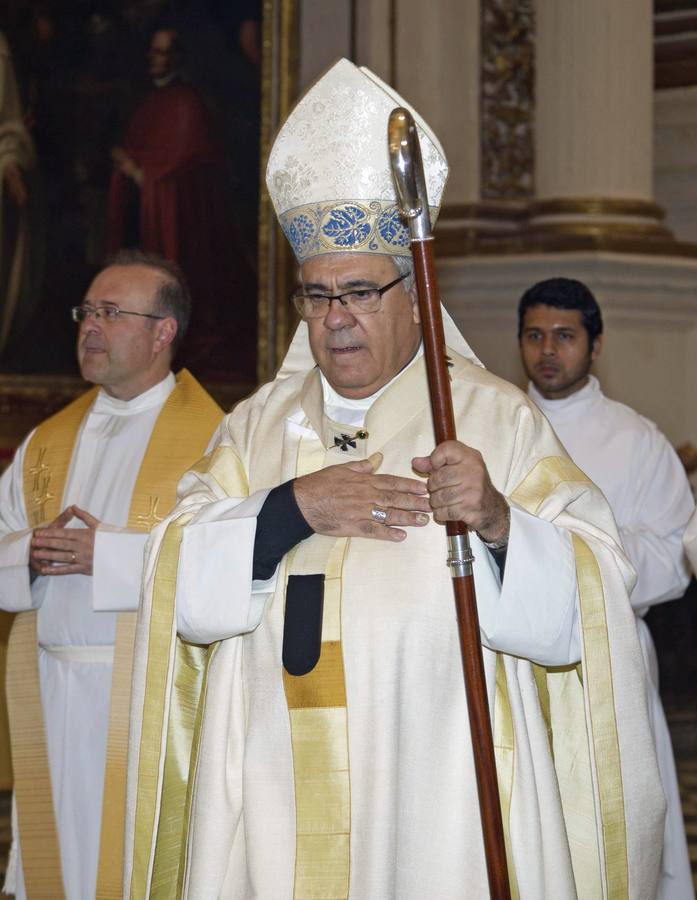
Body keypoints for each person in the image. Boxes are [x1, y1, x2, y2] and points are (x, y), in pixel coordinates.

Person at [125, 59, 666, 899]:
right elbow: (174, 577)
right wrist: (287, 510)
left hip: (438, 788)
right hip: (272, 789)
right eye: (314, 297)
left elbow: (593, 596)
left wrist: (497, 523)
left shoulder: (493, 420)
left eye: (357, 292)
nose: (334, 318)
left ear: (415, 294)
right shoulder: (256, 427)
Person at [0, 250, 222, 899]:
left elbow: (224, 561)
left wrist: (112, 556)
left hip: (147, 697)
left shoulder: (215, 439)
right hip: (50, 690)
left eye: (111, 313)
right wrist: (30, 551)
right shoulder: (46, 442)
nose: (90, 327)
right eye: (87, 312)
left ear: (162, 332)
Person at [519, 276, 695, 900]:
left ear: (595, 346)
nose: (547, 350)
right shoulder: (494, 425)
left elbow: (675, 554)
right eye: (534, 335)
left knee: (617, 822)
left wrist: (576, 562)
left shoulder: (637, 439)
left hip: (611, 648)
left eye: (564, 336)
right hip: (509, 656)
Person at [107, 26, 255, 375]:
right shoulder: (152, 101)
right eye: (152, 51)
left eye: (161, 52)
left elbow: (180, 164)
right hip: (145, 215)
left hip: (182, 221)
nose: (154, 59)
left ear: (177, 58)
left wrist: (137, 171)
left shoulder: (187, 104)